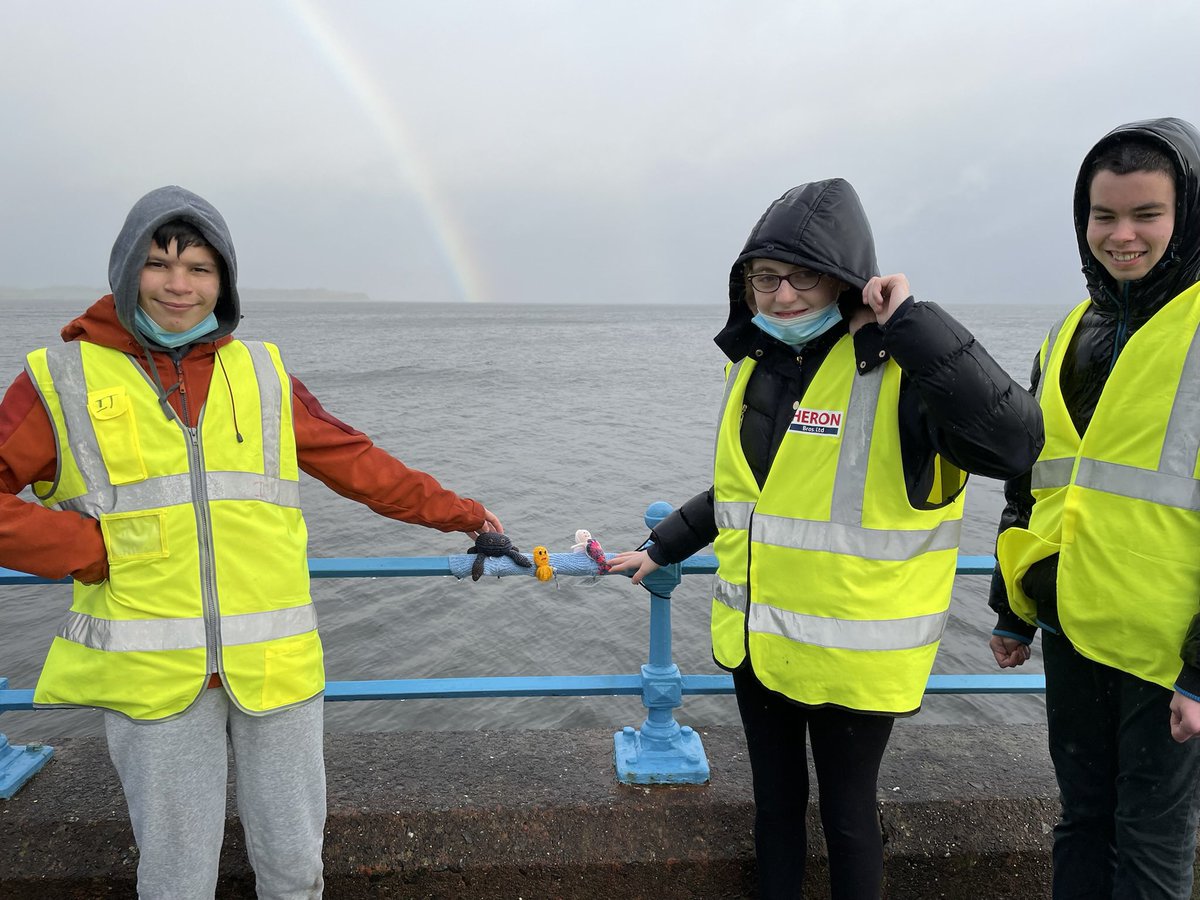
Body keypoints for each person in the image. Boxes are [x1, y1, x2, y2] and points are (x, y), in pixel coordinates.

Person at [0, 185, 502, 899]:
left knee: (296, 870)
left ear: (224, 282)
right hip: (154, 684)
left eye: (201, 268)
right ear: (126, 270)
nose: (179, 285)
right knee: (175, 878)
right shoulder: (61, 379)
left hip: (276, 668)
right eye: (159, 263)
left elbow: (358, 463)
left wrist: (466, 516)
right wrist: (85, 549)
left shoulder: (261, 372)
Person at [607, 177, 1042, 898]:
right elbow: (746, 495)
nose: (782, 296)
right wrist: (660, 549)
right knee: (775, 810)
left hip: (853, 659)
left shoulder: (901, 371)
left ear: (846, 275)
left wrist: (912, 320)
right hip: (759, 643)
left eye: (803, 275)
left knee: (847, 819)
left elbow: (1015, 441)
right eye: (764, 277)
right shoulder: (752, 366)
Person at [990, 117, 1200, 898]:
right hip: (1072, 628)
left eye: (1147, 215)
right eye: (1103, 215)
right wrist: (1013, 607)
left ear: (1186, 215)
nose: (1123, 236)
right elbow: (1033, 481)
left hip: (1166, 653)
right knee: (1081, 821)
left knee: (1151, 843)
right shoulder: (1069, 329)